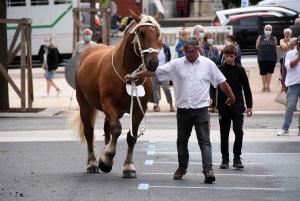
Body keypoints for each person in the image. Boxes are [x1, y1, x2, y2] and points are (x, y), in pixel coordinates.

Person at [124, 36, 235, 183]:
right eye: (185, 51)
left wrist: (231, 97)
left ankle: (208, 170)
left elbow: (221, 81)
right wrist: (134, 75)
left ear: (197, 49)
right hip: (183, 109)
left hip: (201, 109)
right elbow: (156, 72)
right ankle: (182, 167)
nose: (187, 54)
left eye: (190, 51)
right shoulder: (176, 64)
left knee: (204, 141)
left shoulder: (208, 64)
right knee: (181, 141)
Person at [210, 45, 253, 169]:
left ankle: (237, 157)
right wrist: (211, 99)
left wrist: (249, 105)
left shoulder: (240, 69)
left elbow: (246, 88)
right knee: (224, 133)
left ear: (236, 56)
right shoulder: (220, 69)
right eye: (226, 56)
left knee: (238, 131)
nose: (228, 59)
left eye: (231, 56)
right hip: (223, 106)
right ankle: (225, 158)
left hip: (238, 105)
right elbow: (213, 85)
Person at [277, 35, 300, 136]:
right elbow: (289, 66)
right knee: (290, 106)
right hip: (293, 83)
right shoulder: (290, 54)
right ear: (297, 44)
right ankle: (285, 128)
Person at [151, 37, 174, 112]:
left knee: (166, 88)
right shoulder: (153, 48)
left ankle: (170, 104)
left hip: (164, 70)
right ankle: (157, 105)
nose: (161, 41)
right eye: (159, 39)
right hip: (154, 70)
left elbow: (169, 58)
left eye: (161, 39)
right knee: (155, 88)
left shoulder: (166, 48)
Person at [256, 24, 277, 92]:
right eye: (266, 29)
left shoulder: (274, 38)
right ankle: (263, 86)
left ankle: (268, 86)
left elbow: (275, 46)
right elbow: (257, 46)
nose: (268, 31)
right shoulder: (260, 37)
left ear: (272, 30)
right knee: (263, 72)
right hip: (262, 57)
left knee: (269, 72)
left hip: (271, 57)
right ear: (264, 30)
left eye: (269, 29)